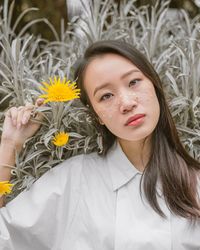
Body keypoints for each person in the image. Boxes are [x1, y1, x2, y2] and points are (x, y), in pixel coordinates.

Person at [0, 40, 200, 250]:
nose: (127, 103)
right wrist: (9, 145)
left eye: (133, 82)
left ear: (155, 85)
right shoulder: (74, 180)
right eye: (106, 96)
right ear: (97, 117)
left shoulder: (195, 183)